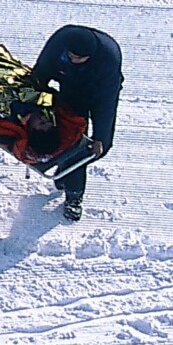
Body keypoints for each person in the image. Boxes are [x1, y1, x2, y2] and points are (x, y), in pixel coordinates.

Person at [29, 24, 123, 222]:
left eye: (78, 58)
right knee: (73, 145)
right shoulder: (60, 42)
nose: (72, 59)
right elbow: (40, 76)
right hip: (70, 92)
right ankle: (74, 196)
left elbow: (106, 105)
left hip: (98, 95)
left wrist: (99, 137)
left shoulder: (108, 59)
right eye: (70, 56)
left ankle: (66, 170)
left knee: (99, 148)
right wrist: (40, 106)